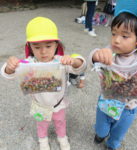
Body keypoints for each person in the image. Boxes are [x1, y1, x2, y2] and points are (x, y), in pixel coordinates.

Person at [1, 17, 87, 150]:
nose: (43, 51)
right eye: (37, 47)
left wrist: (74, 61)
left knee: (60, 122)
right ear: (29, 47)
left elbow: (80, 66)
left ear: (56, 45)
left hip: (59, 104)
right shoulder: (28, 64)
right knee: (41, 124)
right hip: (39, 105)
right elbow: (8, 74)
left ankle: (62, 137)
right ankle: (43, 140)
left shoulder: (61, 61)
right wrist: (10, 66)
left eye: (48, 46)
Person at [89, 0, 137, 149]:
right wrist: (97, 55)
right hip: (106, 101)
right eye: (114, 33)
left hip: (129, 107)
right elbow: (92, 59)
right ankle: (100, 134)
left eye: (124, 36)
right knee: (101, 127)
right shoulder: (110, 53)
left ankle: (112, 144)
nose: (116, 40)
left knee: (119, 132)